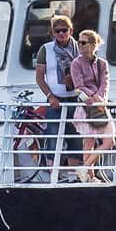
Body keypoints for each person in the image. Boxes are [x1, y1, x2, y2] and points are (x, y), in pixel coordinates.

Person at [31, 13, 79, 168]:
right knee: (52, 135)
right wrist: (50, 97)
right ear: (52, 33)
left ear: (71, 30)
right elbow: (39, 78)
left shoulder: (81, 48)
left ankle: (74, 175)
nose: (61, 34)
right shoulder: (46, 50)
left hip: (76, 99)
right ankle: (53, 173)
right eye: (57, 31)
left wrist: (75, 80)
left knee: (75, 136)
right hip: (55, 100)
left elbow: (90, 74)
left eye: (64, 30)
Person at [69, 30, 114, 182]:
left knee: (110, 141)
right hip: (85, 106)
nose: (79, 45)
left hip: (100, 105)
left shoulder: (102, 64)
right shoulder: (76, 63)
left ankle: (85, 167)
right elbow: (79, 85)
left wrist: (99, 98)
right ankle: (90, 176)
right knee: (89, 142)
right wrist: (93, 96)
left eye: (83, 42)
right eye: (79, 42)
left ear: (93, 45)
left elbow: (105, 83)